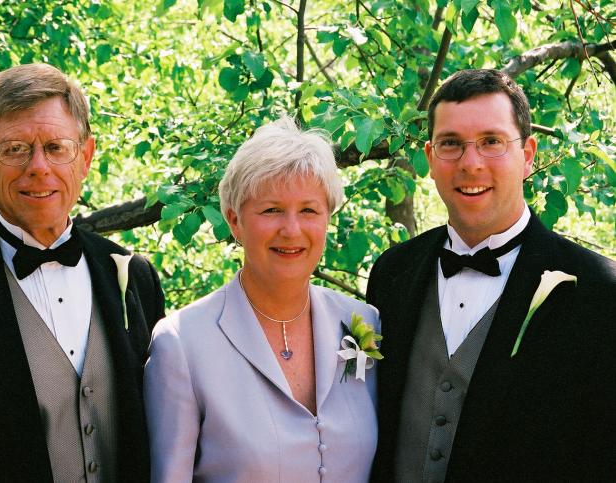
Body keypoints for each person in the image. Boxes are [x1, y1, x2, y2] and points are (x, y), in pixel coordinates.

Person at [0, 63, 165, 482]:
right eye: (15, 149)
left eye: (57, 147)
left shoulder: (133, 277)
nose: (39, 167)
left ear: (86, 156)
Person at [366, 69, 616, 482]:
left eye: (491, 142)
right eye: (451, 144)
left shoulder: (599, 291)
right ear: (430, 159)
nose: (470, 163)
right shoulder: (393, 272)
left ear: (528, 154)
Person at [144, 117, 381, 482]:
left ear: (327, 219)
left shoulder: (361, 323)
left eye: (308, 210)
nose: (291, 229)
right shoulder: (183, 343)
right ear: (235, 221)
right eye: (271, 210)